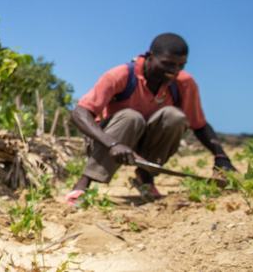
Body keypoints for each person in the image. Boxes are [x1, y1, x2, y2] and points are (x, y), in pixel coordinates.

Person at [65, 33, 235, 205]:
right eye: (168, 64)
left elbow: (199, 125)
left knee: (174, 117)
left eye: (180, 66)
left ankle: (145, 178)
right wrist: (113, 144)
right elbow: (80, 113)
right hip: (108, 142)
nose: (174, 71)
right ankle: (83, 184)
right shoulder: (121, 75)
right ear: (151, 56)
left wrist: (221, 156)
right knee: (132, 117)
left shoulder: (184, 83)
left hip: (145, 147)